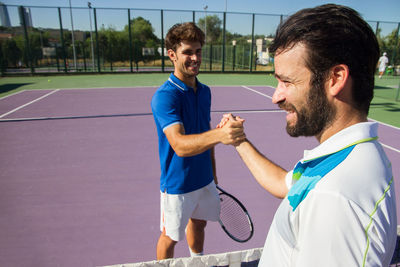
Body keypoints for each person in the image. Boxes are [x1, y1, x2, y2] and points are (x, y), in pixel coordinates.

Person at [219, 4, 397, 266]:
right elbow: (284, 184)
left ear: (335, 79)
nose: (275, 96)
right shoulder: (343, 158)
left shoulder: (334, 196)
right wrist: (239, 141)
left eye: (287, 82)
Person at [150, 22, 245, 260]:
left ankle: (198, 261)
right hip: (177, 184)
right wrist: (221, 135)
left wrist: (213, 174)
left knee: (200, 224)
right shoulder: (165, 97)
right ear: (172, 55)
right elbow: (180, 145)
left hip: (204, 179)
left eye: (198, 51)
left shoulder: (205, 91)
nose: (195, 58)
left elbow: (204, 133)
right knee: (169, 237)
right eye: (187, 52)